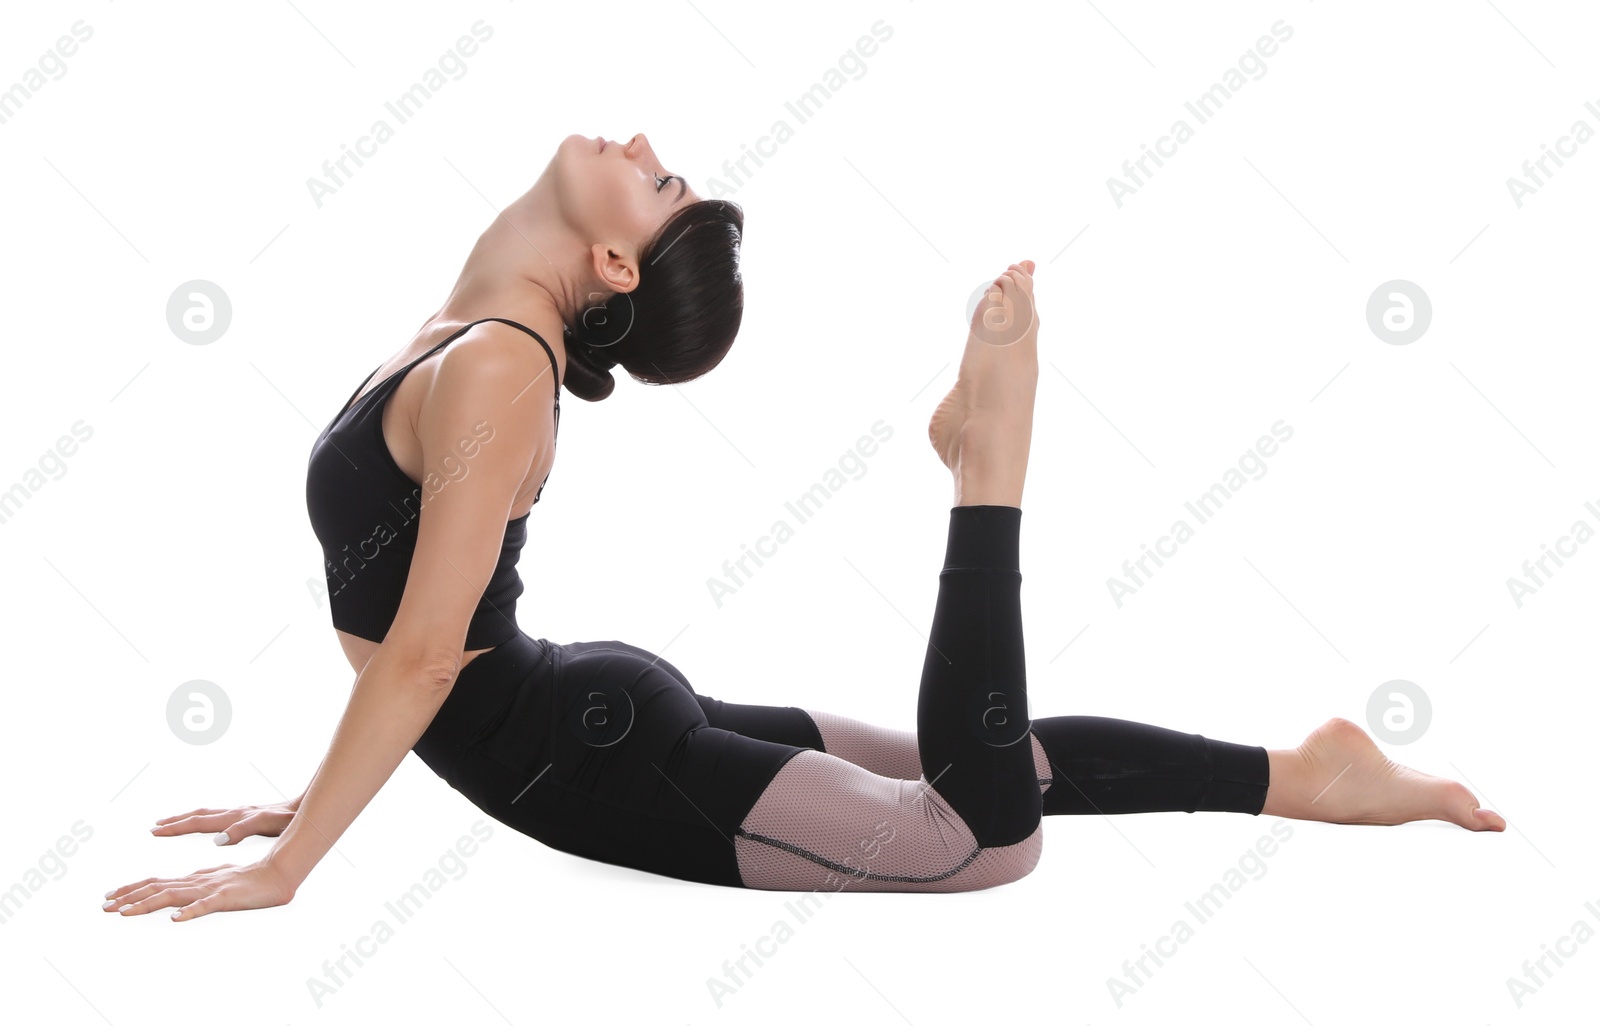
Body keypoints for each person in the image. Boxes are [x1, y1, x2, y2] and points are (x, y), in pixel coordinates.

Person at [104, 134, 1504, 920]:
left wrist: (295, 866)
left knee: (982, 831)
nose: (647, 150)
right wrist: (318, 792)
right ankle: (1302, 774)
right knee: (992, 782)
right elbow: (419, 649)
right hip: (576, 713)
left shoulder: (493, 364)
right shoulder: (476, 344)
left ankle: (990, 459)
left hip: (581, 746)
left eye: (657, 188)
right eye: (667, 182)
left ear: (604, 264)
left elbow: (418, 662)